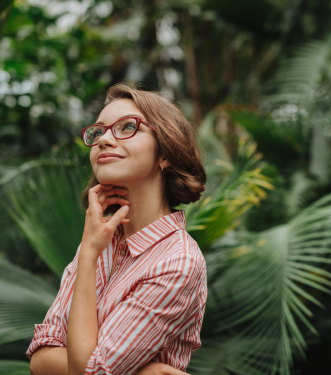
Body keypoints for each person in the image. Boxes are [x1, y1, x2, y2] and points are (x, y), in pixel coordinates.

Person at [26, 83, 208, 375]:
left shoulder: (178, 261)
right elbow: (40, 355)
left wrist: (84, 365)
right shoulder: (98, 243)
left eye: (126, 127)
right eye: (98, 131)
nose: (104, 140)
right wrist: (146, 372)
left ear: (166, 154)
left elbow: (88, 372)